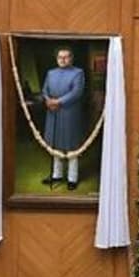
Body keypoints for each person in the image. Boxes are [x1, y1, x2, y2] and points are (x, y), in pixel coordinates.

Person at [40, 47, 86, 190]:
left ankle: (72, 178)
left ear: (71, 58)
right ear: (56, 58)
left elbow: (76, 92)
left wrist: (58, 102)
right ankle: (56, 175)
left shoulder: (78, 73)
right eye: (60, 57)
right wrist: (48, 100)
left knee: (71, 146)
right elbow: (44, 90)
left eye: (66, 57)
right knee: (55, 145)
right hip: (53, 112)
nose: (63, 60)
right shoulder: (51, 73)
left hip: (69, 113)